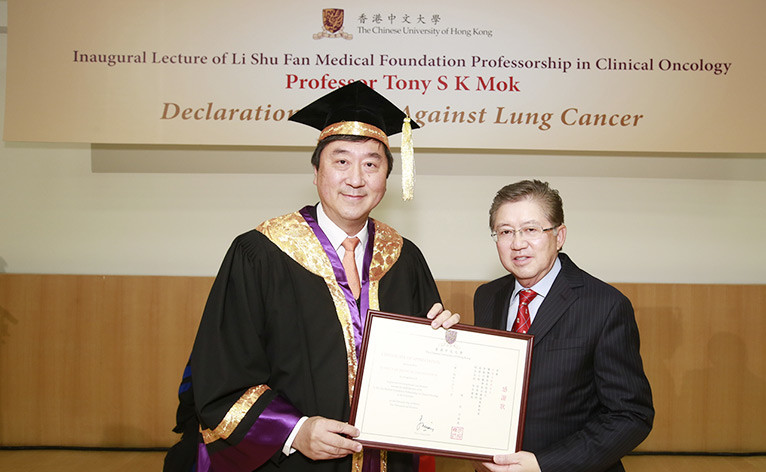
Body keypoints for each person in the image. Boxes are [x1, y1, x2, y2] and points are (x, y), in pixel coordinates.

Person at [164, 81, 460, 472]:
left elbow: (425, 382)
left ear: (387, 175)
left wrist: (447, 348)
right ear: (317, 171)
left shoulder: (404, 258)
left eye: (372, 163)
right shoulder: (260, 254)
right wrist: (294, 430)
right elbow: (221, 379)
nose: (356, 178)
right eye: (341, 161)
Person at [472, 180, 653, 472]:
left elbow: (631, 415)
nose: (518, 243)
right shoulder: (487, 297)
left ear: (559, 236)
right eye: (505, 232)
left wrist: (544, 464)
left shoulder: (605, 305)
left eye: (531, 229)